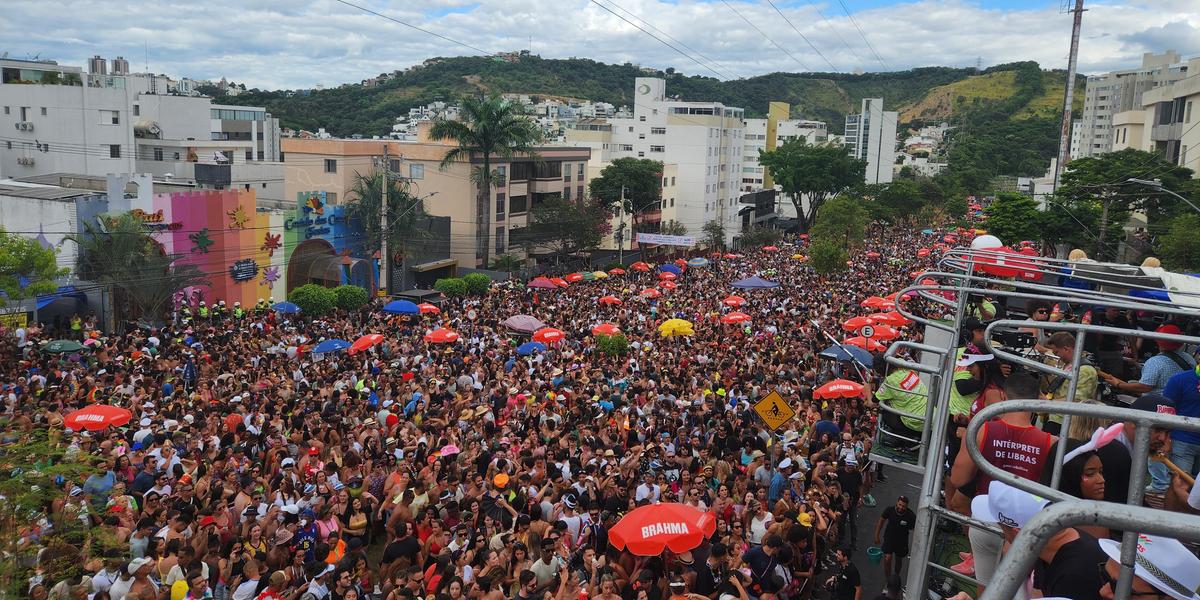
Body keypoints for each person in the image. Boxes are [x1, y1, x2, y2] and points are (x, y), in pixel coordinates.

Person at [1101, 324, 1196, 395]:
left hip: (1158, 405)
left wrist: (1119, 385)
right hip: (1182, 400)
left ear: (1158, 342)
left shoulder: (1155, 362)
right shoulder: (1189, 358)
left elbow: (1144, 387)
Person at [1041, 332, 1099, 435]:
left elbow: (1078, 400)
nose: (1057, 357)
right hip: (1057, 418)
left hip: (1067, 424)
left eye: (1057, 353)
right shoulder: (1071, 365)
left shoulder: (1086, 370)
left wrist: (1048, 402)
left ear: (1066, 349)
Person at [1164, 362, 1200, 477]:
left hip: (1183, 441)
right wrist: (1166, 440)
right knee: (1179, 484)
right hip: (1182, 441)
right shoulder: (1179, 380)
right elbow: (1166, 412)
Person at [873, 496, 915, 579]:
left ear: (906, 506)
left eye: (903, 506)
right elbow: (881, 521)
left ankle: (895, 577)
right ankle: (888, 580)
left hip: (901, 542)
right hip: (889, 539)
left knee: (899, 560)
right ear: (897, 503)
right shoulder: (890, 510)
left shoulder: (911, 516)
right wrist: (876, 535)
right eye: (899, 504)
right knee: (887, 559)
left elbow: (915, 528)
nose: (901, 507)